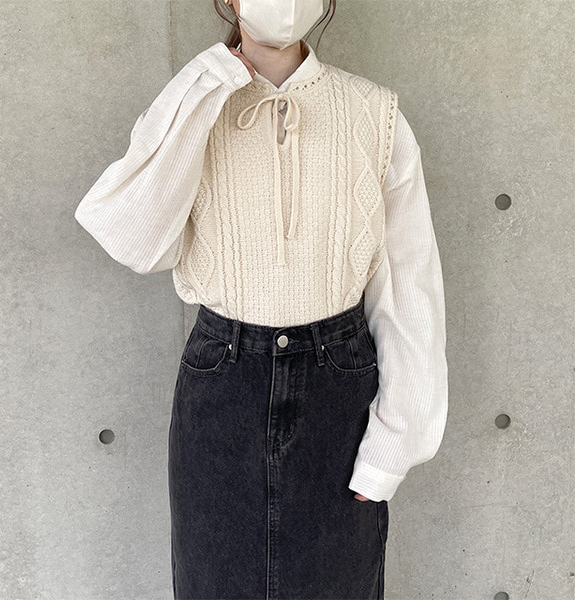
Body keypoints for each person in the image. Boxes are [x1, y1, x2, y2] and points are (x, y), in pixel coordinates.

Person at [74, 0, 448, 598]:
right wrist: (210, 82)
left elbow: (407, 283)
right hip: (223, 381)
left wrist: (396, 441)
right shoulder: (196, 102)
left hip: (338, 387)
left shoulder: (375, 114)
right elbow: (135, 240)